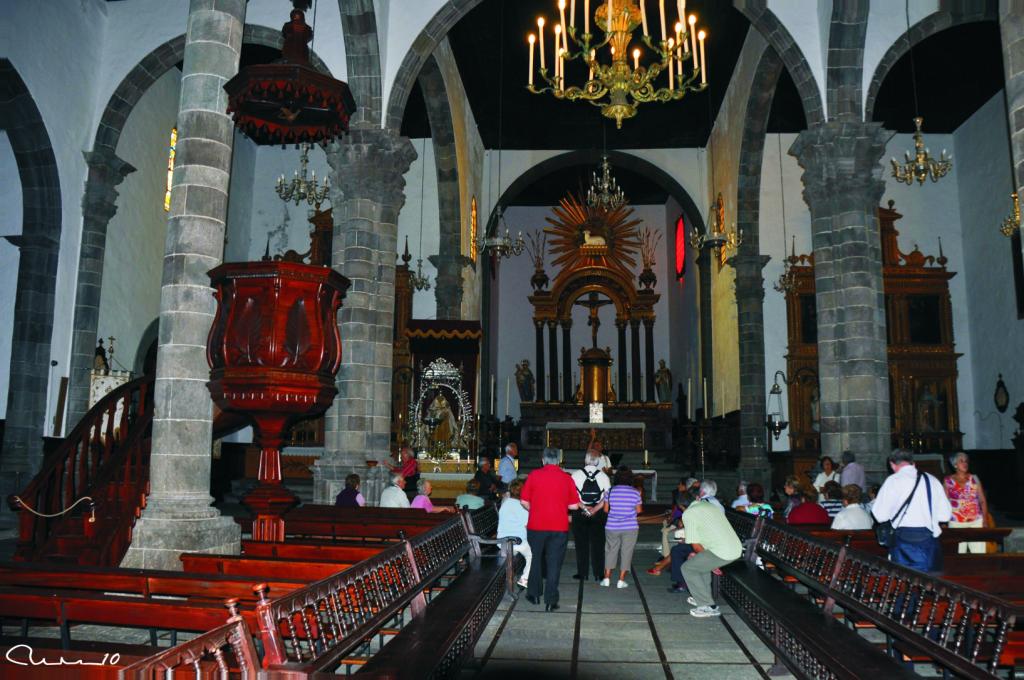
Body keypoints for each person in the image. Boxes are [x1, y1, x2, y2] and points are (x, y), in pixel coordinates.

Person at [872, 449, 952, 572]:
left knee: (904, 580)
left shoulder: (893, 481)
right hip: (928, 542)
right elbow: (945, 515)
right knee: (930, 581)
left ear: (892, 465)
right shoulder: (932, 480)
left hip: (902, 542)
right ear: (913, 463)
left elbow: (880, 516)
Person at [521, 447, 580, 611]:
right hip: (559, 527)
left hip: (536, 526)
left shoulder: (534, 475)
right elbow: (574, 506)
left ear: (543, 460)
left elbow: (524, 501)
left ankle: (534, 595)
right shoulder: (566, 478)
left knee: (535, 559)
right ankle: (551, 601)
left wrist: (535, 509)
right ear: (558, 461)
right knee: (554, 563)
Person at [680, 499, 743, 617]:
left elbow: (696, 546)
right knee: (699, 565)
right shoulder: (709, 505)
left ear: (681, 506)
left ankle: (707, 606)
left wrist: (713, 564)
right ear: (696, 498)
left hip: (723, 552)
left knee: (687, 568)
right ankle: (703, 598)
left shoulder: (689, 513)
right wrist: (705, 560)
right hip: (735, 548)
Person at [570, 451, 611, 582]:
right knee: (598, 543)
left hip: (580, 511)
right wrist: (594, 509)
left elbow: (571, 496)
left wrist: (584, 507)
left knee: (581, 543)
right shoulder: (604, 476)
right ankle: (599, 573)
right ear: (598, 462)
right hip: (598, 513)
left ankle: (583, 573)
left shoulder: (575, 475)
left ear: (585, 460)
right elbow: (607, 497)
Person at [601, 468, 642, 588]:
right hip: (630, 527)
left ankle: (607, 578)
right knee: (626, 552)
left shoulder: (610, 491)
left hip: (612, 526)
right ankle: (621, 580)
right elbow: (639, 510)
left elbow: (606, 510)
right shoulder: (635, 492)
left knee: (610, 551)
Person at [944, 451, 990, 553]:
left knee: (979, 554)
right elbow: (945, 503)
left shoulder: (974, 478)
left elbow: (982, 500)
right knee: (958, 555)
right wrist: (944, 521)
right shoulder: (948, 481)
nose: (965, 463)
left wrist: (985, 520)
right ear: (955, 464)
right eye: (961, 461)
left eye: (966, 461)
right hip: (956, 523)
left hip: (976, 522)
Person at [498, 479, 532, 588]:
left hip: (502, 542)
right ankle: (524, 579)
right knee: (533, 555)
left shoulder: (505, 503)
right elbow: (528, 526)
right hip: (517, 542)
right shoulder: (522, 506)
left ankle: (511, 574)